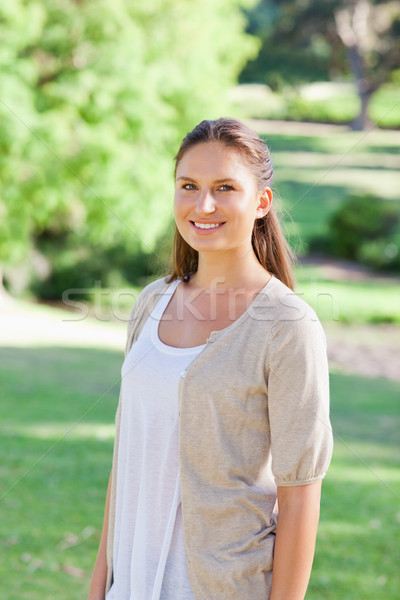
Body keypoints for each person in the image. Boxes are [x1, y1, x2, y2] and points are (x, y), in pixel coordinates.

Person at [87, 118, 333, 600]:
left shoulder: (287, 326)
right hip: (130, 586)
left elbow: (300, 491)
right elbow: (129, 457)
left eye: (225, 187)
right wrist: (101, 585)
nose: (203, 205)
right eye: (189, 186)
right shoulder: (150, 303)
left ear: (261, 202)